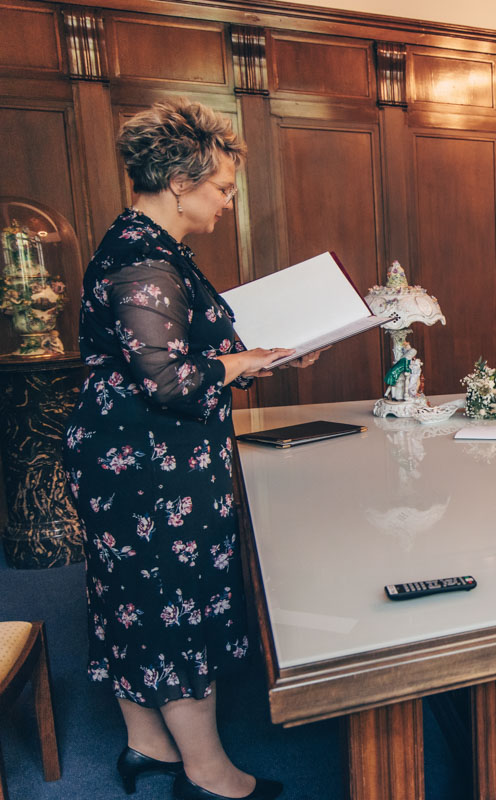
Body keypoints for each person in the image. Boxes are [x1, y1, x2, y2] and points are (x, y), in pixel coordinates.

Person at [63, 99, 322, 800]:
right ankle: (208, 775)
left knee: (133, 599)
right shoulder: (145, 258)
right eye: (223, 189)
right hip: (148, 467)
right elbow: (169, 379)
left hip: (132, 456)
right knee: (172, 602)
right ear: (179, 180)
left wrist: (254, 356)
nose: (228, 204)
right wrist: (238, 366)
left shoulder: (147, 247)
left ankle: (149, 747)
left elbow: (176, 345)